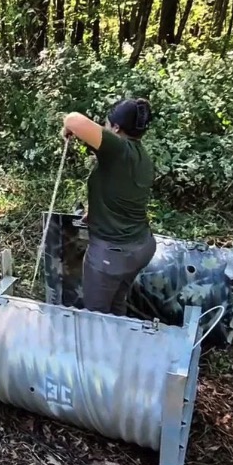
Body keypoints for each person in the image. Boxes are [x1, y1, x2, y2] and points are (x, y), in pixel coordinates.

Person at [61, 99, 156, 315]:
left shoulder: (118, 149)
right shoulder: (141, 157)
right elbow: (123, 195)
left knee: (96, 317)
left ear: (115, 128)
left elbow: (73, 119)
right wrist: (97, 212)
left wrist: (68, 126)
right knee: (116, 305)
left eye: (106, 124)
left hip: (112, 254)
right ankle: (119, 345)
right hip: (142, 246)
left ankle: (99, 348)